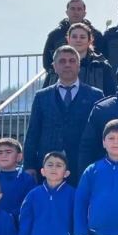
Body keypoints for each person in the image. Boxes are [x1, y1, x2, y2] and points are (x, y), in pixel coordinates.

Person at [24, 45, 104, 185]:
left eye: (72, 61)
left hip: (83, 165)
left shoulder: (95, 95)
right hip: (48, 166)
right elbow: (33, 132)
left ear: (79, 66)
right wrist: (29, 165)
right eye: (62, 61)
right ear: (54, 66)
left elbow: (100, 132)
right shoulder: (42, 96)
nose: (67, 64)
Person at [43, 22, 117, 96]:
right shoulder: (57, 65)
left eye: (82, 37)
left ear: (89, 41)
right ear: (68, 40)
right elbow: (45, 95)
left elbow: (110, 95)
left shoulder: (101, 66)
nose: (78, 40)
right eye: (74, 37)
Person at [42, 0, 104, 71]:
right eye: (72, 9)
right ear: (67, 12)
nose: (76, 12)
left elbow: (103, 56)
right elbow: (47, 61)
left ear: (84, 13)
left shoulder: (96, 34)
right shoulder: (55, 35)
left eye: (79, 9)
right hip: (63, 75)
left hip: (91, 75)